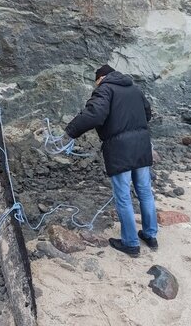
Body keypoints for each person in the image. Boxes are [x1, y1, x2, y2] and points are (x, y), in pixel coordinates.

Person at [65, 64, 158, 257]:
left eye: (96, 81)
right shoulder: (134, 88)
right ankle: (150, 235)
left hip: (119, 149)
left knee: (123, 197)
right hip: (141, 145)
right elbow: (147, 113)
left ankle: (131, 243)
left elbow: (94, 114)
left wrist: (71, 131)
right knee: (145, 192)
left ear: (100, 78)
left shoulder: (105, 89)